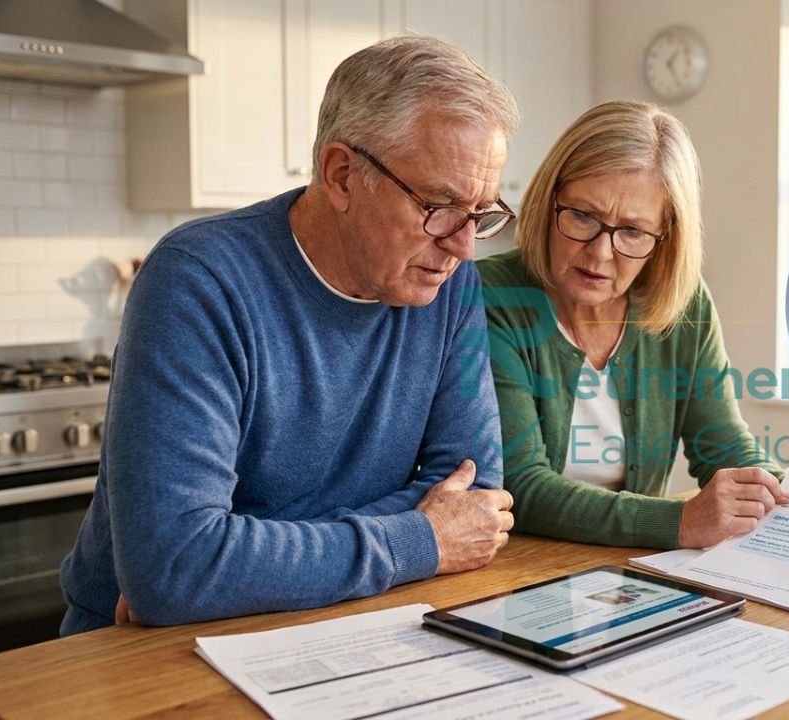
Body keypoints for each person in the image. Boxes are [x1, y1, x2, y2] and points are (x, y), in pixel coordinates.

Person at [60, 35, 519, 634]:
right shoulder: (198, 281)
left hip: (353, 625)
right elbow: (175, 569)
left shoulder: (448, 287)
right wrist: (420, 538)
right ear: (342, 175)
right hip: (143, 655)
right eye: (439, 205)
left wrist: (241, 566)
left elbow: (474, 498)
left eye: (481, 214)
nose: (462, 245)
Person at [477, 100, 788, 551]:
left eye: (633, 232)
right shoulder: (492, 296)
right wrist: (679, 521)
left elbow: (723, 450)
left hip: (630, 568)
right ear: (549, 201)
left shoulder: (683, 301)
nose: (600, 253)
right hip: (520, 570)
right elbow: (521, 485)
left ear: (665, 238)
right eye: (583, 216)